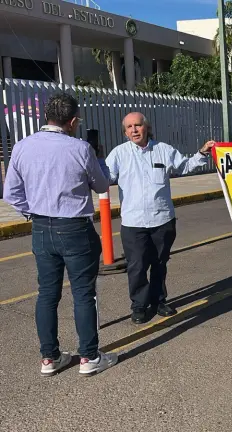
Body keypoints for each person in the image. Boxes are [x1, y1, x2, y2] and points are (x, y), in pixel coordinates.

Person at [2, 92, 119, 376]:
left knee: (47, 294)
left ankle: (49, 357)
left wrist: (32, 212)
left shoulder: (21, 147)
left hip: (41, 227)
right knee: (82, 293)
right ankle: (89, 357)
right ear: (73, 120)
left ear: (45, 117)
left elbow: (11, 194)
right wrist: (99, 157)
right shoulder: (80, 148)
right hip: (75, 227)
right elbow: (102, 184)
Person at [104, 112, 215, 324]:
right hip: (133, 223)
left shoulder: (163, 150)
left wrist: (202, 152)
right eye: (129, 127)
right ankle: (138, 305)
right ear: (125, 132)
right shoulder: (119, 154)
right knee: (136, 266)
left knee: (159, 263)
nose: (134, 130)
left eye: (138, 125)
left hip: (162, 220)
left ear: (146, 127)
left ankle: (158, 301)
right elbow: (105, 177)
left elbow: (184, 166)